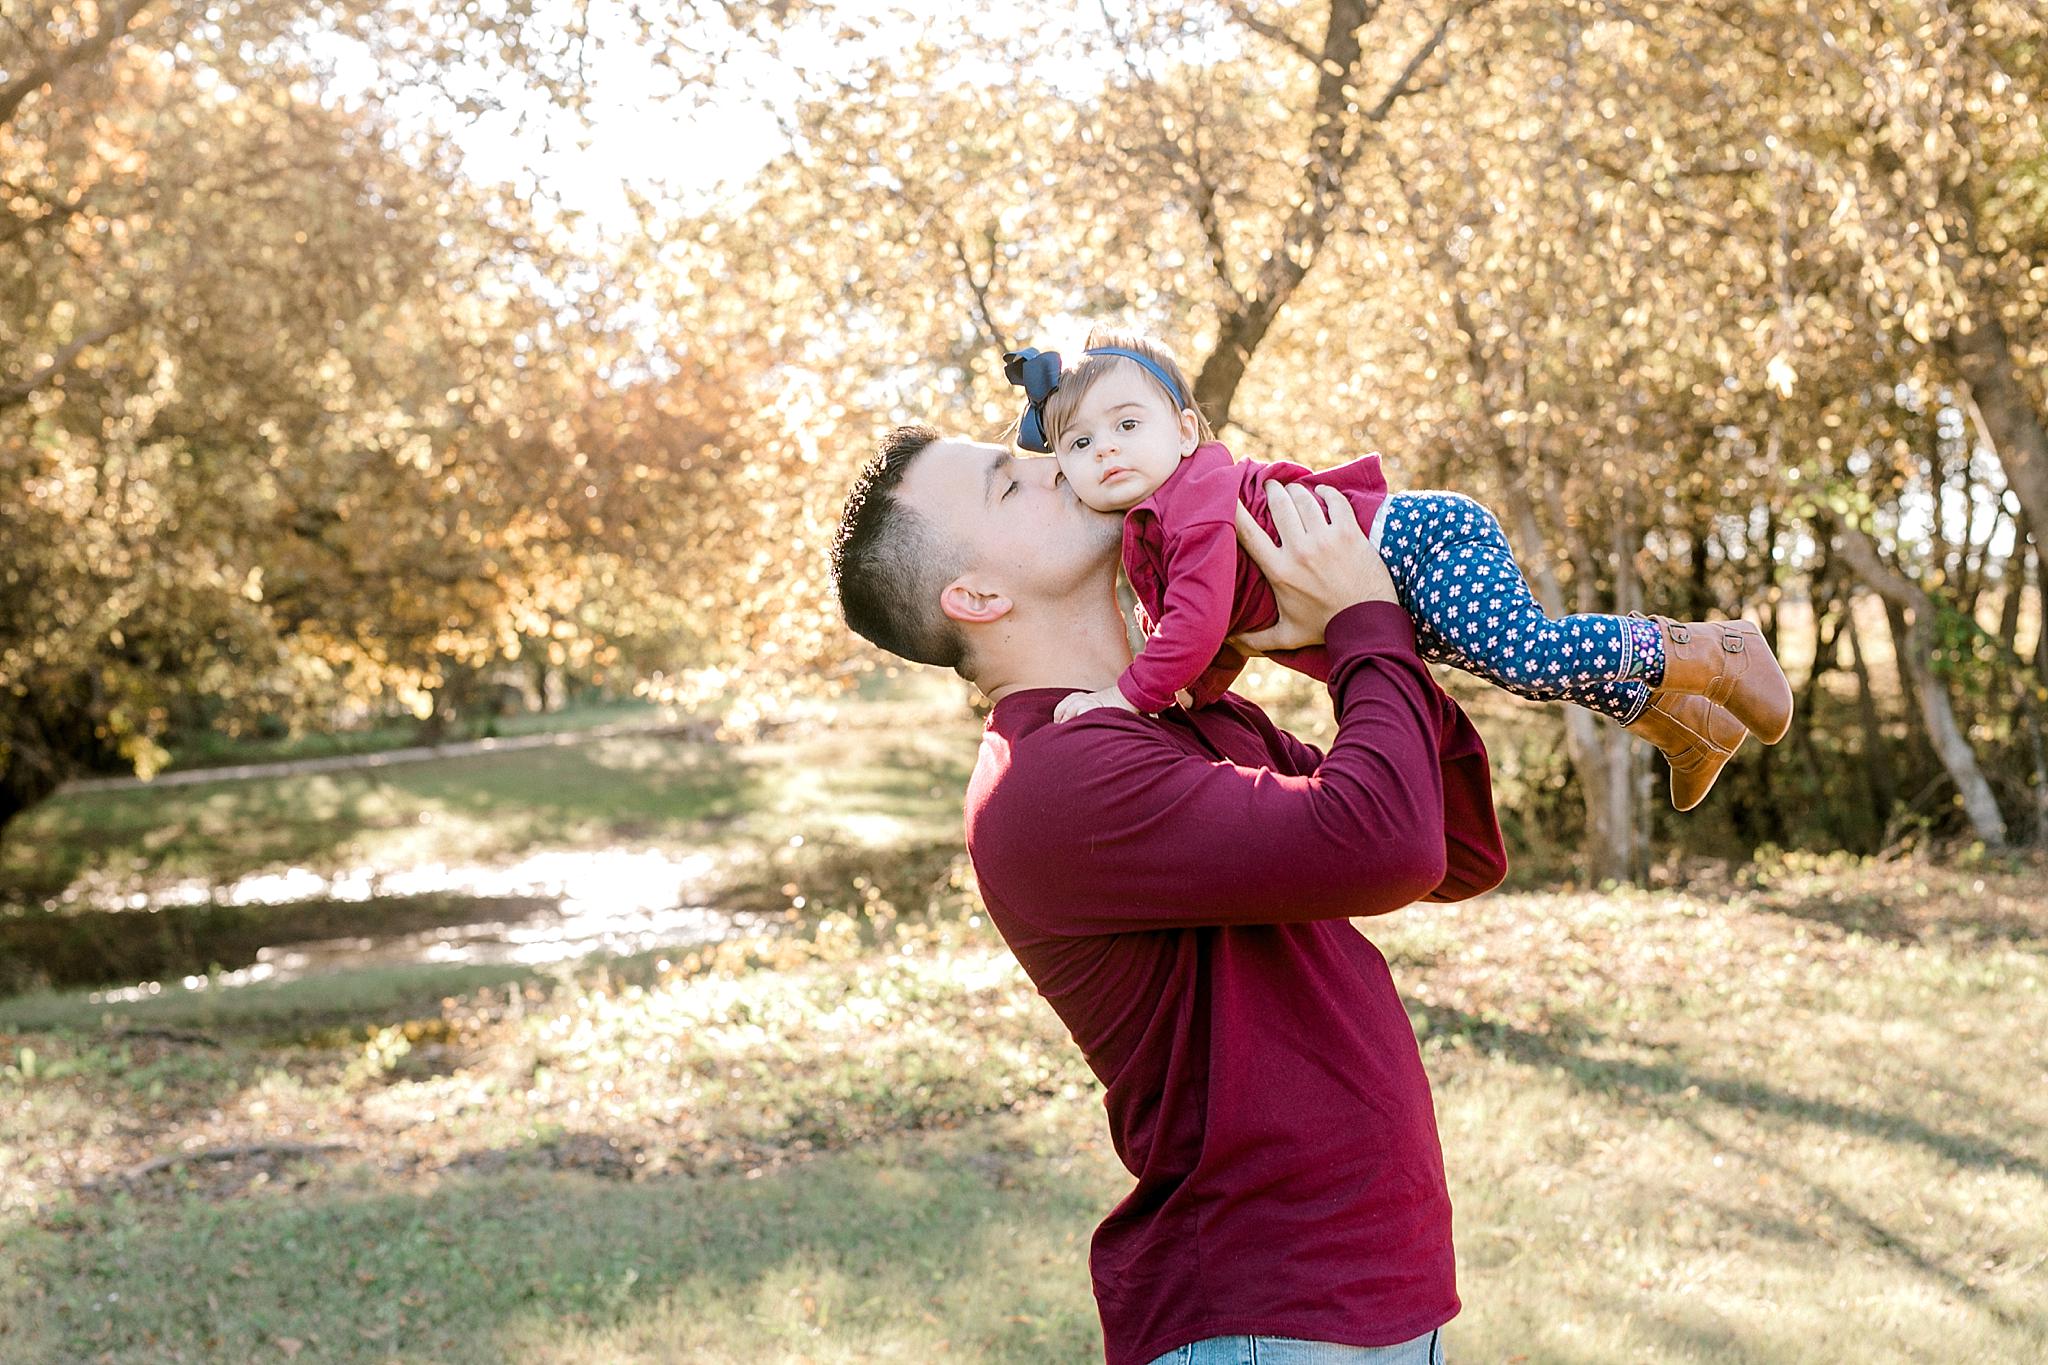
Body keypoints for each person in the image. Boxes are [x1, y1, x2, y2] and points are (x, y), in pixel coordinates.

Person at [831, 421, 1509, 1365]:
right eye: (1009, 484)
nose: (1056, 465)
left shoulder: (1182, 718)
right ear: (977, 595)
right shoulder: (1053, 778)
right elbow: (1387, 841)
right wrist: (1364, 621)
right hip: (1262, 1310)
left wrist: (1329, 638)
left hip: (1361, 1291)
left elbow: (1453, 845)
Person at [1005, 329, 1795, 811]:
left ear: (1184, 431)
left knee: (1523, 650)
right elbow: (1221, 645)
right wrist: (1183, 694)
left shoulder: (1198, 494)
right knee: (1515, 667)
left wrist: (1130, 692)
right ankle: (1687, 726)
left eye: (1127, 424)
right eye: (1079, 443)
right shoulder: (1152, 537)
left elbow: (1203, 619)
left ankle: (1717, 650)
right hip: (1387, 584)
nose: (1104, 448)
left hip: (1413, 543)